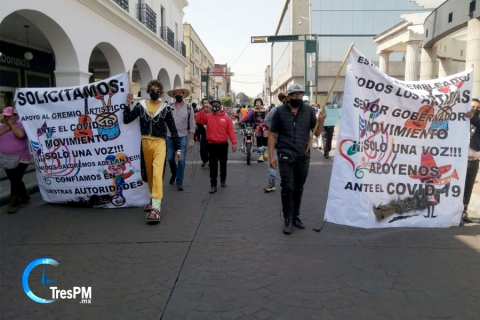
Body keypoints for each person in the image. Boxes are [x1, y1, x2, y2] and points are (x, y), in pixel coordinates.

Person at [268, 84, 326, 234]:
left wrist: (321, 121)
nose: (297, 98)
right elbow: (272, 134)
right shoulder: (279, 112)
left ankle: (296, 216)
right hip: (285, 153)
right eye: (294, 95)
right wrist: (271, 157)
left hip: (303, 154)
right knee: (288, 187)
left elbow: (317, 133)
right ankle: (287, 218)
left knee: (299, 187)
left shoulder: (309, 111)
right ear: (288, 97)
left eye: (299, 95)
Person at [124, 80, 181, 223]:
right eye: (152, 89)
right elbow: (126, 119)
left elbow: (173, 129)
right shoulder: (141, 106)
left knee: (156, 173)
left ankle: (156, 208)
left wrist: (178, 148)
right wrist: (128, 103)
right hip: (145, 143)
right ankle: (151, 199)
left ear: (160, 92)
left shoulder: (166, 108)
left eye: (157, 90)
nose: (155, 92)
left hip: (160, 143)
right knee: (148, 173)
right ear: (148, 91)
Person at [195, 99, 237, 194]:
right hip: (212, 144)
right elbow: (198, 120)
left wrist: (234, 143)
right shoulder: (208, 116)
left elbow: (231, 132)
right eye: (213, 105)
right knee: (213, 165)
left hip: (223, 145)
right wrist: (204, 110)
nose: (215, 106)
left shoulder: (226, 118)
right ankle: (213, 185)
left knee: (223, 164)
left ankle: (223, 180)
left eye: (217, 105)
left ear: (220, 106)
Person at [0, 107, 30, 213]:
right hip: (6, 158)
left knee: (15, 179)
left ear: (16, 116)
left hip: (21, 158)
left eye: (10, 116)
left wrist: (12, 126)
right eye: (5, 116)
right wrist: (5, 129)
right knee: (14, 178)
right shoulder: (1, 126)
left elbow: (21, 135)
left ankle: (13, 203)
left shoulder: (22, 124)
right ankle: (25, 196)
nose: (7, 118)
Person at [165, 86, 195, 191]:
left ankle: (179, 180)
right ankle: (174, 172)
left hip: (182, 137)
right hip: (170, 137)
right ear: (174, 96)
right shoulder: (168, 107)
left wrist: (191, 139)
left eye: (180, 93)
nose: (178, 95)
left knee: (181, 159)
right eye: (176, 93)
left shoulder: (188, 108)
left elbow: (192, 124)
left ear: (183, 95)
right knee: (170, 158)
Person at [263, 92, 287, 192]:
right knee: (272, 161)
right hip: (276, 140)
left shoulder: (296, 111)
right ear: (282, 101)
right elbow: (266, 120)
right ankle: (272, 183)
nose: (286, 101)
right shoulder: (275, 110)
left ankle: (284, 183)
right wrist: (274, 129)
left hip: (287, 142)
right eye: (284, 99)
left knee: (286, 163)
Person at [463, 98, 480, 224]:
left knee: (468, 188)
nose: (475, 109)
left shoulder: (477, 121)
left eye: (478, 108)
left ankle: (464, 211)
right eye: (473, 107)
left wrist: (473, 117)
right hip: (459, 160)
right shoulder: (461, 121)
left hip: (473, 161)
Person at [239, 98, 269, 162]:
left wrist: (263, 123)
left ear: (261, 104)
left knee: (265, 140)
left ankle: (264, 152)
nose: (258, 105)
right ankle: (261, 155)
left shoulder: (266, 110)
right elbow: (247, 116)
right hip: (257, 127)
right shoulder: (253, 111)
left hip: (265, 128)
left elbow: (269, 118)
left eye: (259, 104)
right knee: (259, 139)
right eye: (256, 104)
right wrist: (240, 121)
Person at [197, 98, 211, 167]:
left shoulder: (212, 111)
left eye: (207, 102)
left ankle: (211, 161)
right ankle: (205, 160)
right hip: (204, 133)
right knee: (203, 148)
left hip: (212, 133)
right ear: (202, 104)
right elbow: (197, 121)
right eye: (204, 103)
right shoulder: (200, 111)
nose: (206, 104)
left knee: (211, 148)